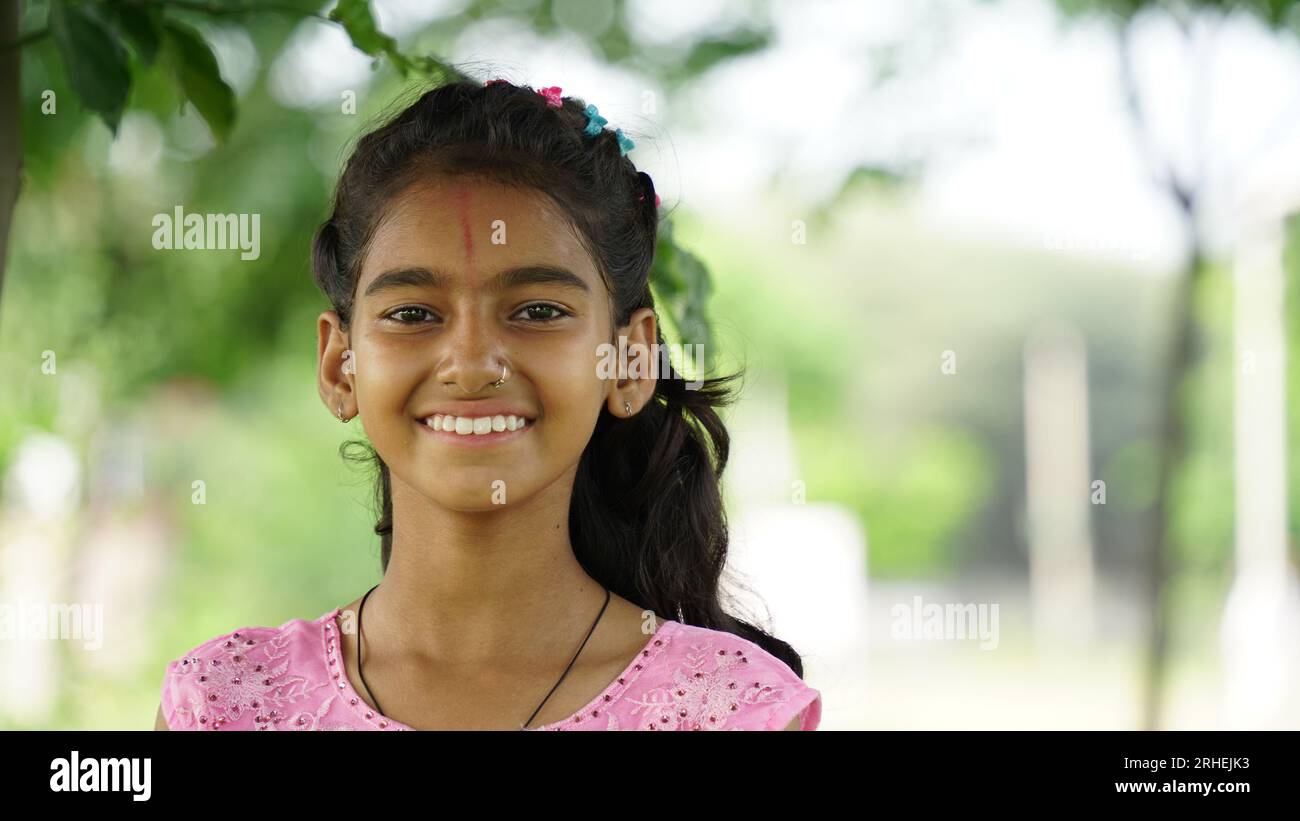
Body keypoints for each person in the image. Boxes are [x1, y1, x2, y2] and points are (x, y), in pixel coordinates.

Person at [155, 76, 821, 731]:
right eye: (413, 312)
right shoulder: (227, 704)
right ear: (340, 366)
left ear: (630, 359)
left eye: (537, 310)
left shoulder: (732, 709)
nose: (473, 364)